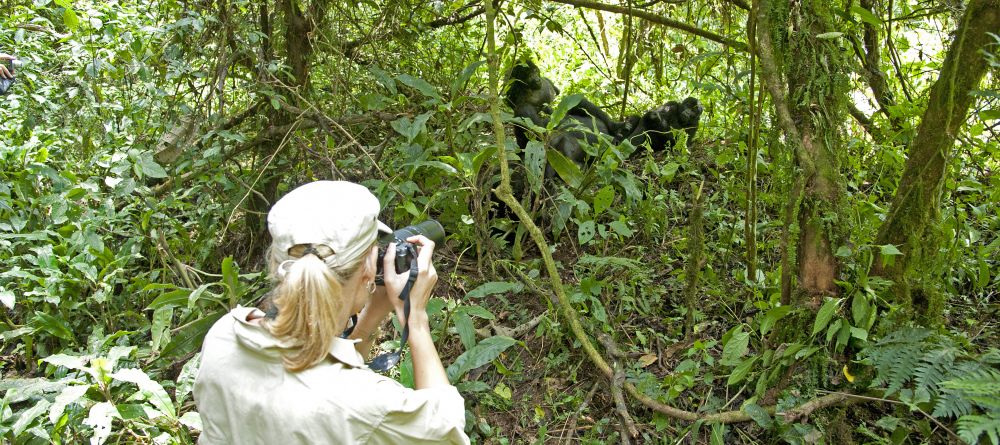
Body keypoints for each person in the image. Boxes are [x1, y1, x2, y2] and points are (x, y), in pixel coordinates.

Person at [193, 180, 469, 444]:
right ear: (368, 270)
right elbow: (448, 431)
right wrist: (415, 319)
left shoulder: (224, 335)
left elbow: (317, 364)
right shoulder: (364, 406)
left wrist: (371, 315)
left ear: (276, 263)